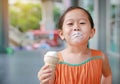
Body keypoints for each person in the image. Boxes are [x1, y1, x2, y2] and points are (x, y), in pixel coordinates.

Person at [37, 6, 112, 84]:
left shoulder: (101, 57)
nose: (76, 27)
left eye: (82, 23)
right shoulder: (54, 60)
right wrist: (44, 80)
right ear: (61, 34)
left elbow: (107, 75)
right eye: (70, 23)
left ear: (92, 32)